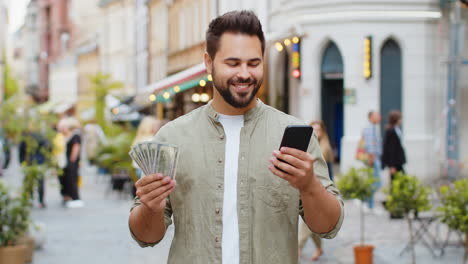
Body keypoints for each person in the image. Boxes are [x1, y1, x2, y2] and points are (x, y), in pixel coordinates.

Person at [128, 11, 344, 264]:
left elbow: (327, 227)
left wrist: (309, 186)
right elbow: (147, 237)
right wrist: (150, 207)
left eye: (253, 63)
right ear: (209, 63)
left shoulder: (294, 134)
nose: (244, 73)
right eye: (232, 63)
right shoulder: (172, 136)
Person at [298, 120, 335, 261]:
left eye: (318, 130)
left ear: (322, 132)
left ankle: (297, 249)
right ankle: (319, 248)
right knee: (311, 224)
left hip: (318, 192)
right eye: (312, 129)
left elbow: (328, 176)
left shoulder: (324, 149)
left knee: (305, 227)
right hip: (304, 191)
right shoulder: (306, 146)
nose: (315, 132)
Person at [382, 110, 406, 218]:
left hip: (398, 163)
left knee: (400, 185)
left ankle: (396, 209)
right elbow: (390, 150)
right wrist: (391, 166)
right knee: (395, 187)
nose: (401, 120)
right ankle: (393, 211)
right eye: (400, 118)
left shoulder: (396, 130)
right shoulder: (391, 131)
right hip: (394, 164)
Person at [61, 117, 84, 208]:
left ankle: (76, 198)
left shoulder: (76, 135)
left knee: (73, 180)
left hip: (72, 163)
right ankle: (72, 197)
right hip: (70, 162)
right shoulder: (71, 135)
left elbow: (76, 148)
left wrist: (72, 160)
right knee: (70, 180)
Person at [362, 111, 382, 210]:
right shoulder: (369, 129)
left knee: (373, 183)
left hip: (375, 158)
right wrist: (371, 158)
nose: (379, 117)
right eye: (377, 115)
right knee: (375, 183)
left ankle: (369, 204)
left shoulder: (373, 128)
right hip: (373, 159)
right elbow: (369, 144)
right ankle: (367, 202)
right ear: (371, 117)